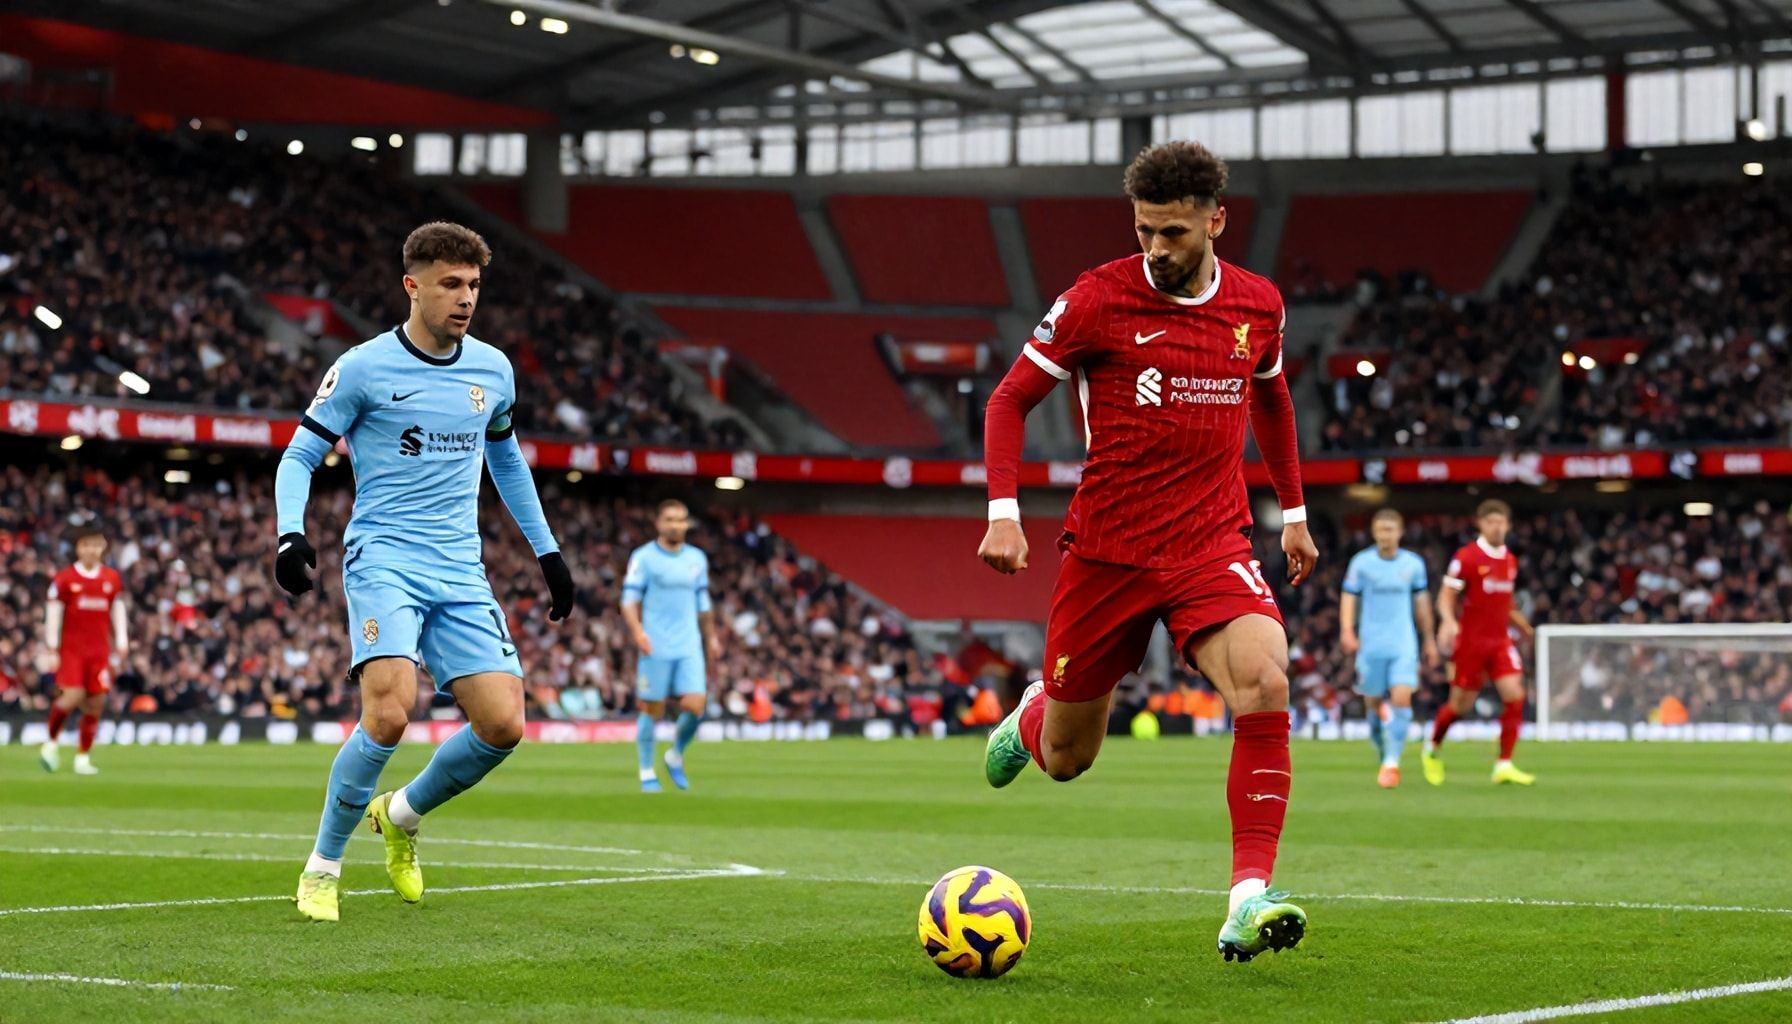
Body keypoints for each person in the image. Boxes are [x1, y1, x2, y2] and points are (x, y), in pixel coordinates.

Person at [975, 141, 1316, 963]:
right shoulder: (1097, 298)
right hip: (1109, 551)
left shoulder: (1256, 306)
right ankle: (1034, 715)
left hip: (1210, 541)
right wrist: (1003, 511)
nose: (1156, 249)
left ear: (1214, 220)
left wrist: (1294, 511)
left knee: (1266, 678)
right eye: (1143, 232)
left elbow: (1270, 395)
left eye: (1171, 233)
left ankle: (1247, 897)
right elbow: (1009, 398)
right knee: (1067, 759)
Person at [274, 221, 576, 923]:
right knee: (389, 709)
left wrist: (549, 552)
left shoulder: (493, 370)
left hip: (460, 567)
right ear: (413, 286)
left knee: (503, 725)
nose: (465, 298)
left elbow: (505, 459)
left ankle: (402, 814)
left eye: (473, 285)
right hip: (384, 557)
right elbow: (298, 456)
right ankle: (323, 866)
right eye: (451, 284)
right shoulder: (363, 367)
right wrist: (291, 535)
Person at [1424, 499, 1535, 786]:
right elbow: (1446, 596)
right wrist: (1448, 620)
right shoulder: (1467, 557)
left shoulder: (1510, 559)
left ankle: (1504, 764)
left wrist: (1524, 627)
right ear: (1481, 524)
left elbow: (1505, 601)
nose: (1496, 527)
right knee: (1459, 705)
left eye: (1501, 522)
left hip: (1500, 642)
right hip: (1471, 643)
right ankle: (1432, 748)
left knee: (1514, 694)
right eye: (1491, 521)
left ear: (1508, 525)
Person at [621, 499, 719, 792]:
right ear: (659, 523)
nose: (676, 525)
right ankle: (647, 771)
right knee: (652, 708)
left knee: (696, 705)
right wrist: (638, 632)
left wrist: (711, 637)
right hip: (657, 643)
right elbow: (628, 600)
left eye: (681, 519)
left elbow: (703, 603)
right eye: (670, 519)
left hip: (689, 644)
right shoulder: (644, 558)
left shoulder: (697, 559)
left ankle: (674, 755)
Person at [1339, 508, 1438, 788]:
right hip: (1370, 644)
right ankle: (1381, 746)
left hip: (1403, 643)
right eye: (1381, 529)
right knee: (1371, 703)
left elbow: (1422, 604)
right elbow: (1349, 598)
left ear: (1400, 532)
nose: (1386, 535)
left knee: (1402, 699)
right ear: (1374, 532)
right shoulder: (1361, 564)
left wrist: (1428, 639)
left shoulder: (1413, 565)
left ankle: (1392, 763)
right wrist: (1347, 630)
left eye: (1391, 529)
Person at [38, 526, 127, 776]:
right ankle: (51, 743)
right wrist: (52, 647)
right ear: (79, 548)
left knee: (96, 703)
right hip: (72, 651)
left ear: (103, 547)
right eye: (87, 544)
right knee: (73, 696)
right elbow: (53, 613)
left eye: (96, 545)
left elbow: (117, 610)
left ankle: (83, 757)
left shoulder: (111, 578)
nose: (92, 550)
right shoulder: (65, 579)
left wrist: (122, 640)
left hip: (99, 651)